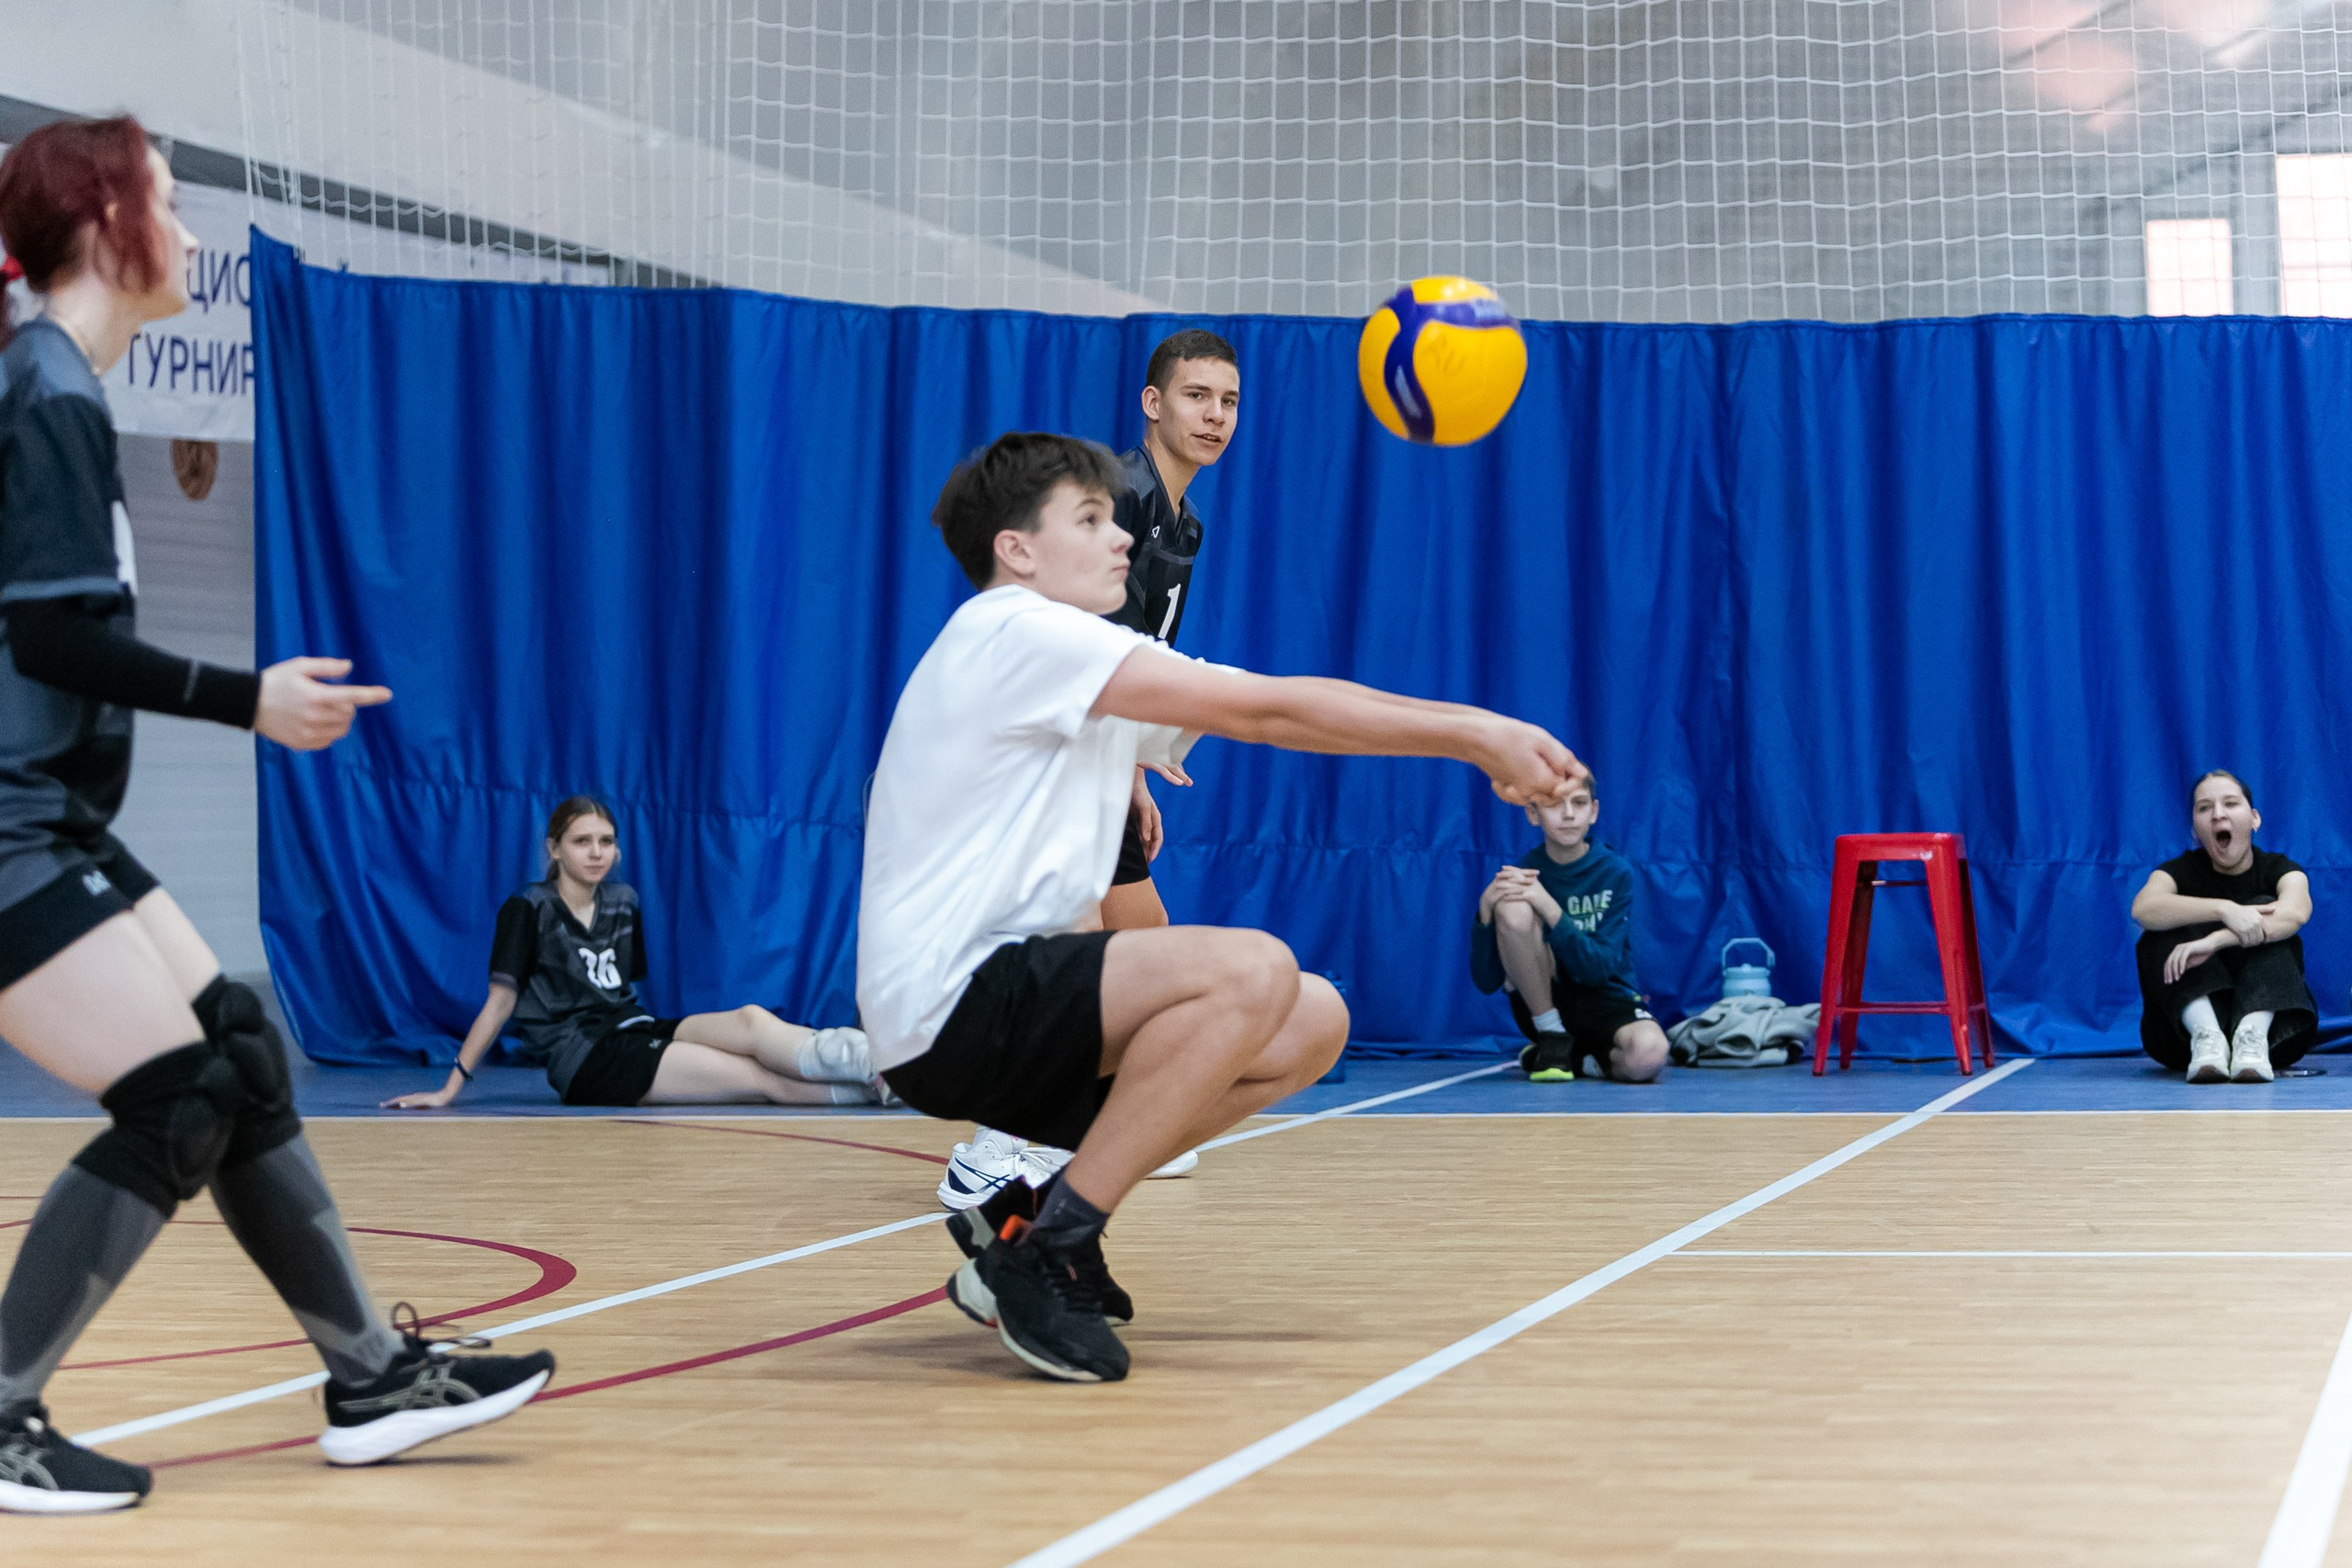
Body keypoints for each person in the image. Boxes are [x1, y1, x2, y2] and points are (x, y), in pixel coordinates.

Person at [0, 117, 551, 1514]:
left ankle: (372, 1375)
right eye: (169, 203)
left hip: (55, 820)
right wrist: (250, 698)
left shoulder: (56, 382)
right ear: (107, 222)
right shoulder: (46, 389)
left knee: (240, 1056)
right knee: (175, 1095)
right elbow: (56, 640)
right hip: (9, 829)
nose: (191, 234)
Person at [860, 432, 1578, 1382]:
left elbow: (1254, 703)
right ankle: (1049, 1252)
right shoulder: (1015, 630)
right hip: (952, 1008)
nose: (1121, 537)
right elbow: (1268, 710)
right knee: (1251, 969)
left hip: (1006, 1014)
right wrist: (1478, 734)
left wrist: (1478, 731)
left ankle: (1027, 1215)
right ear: (1016, 549)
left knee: (1310, 1019)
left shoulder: (1075, 660)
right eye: (1089, 519)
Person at [938, 331, 1238, 1216]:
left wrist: (1136, 768)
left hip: (1096, 748)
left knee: (1146, 947)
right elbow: (1073, 637)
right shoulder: (1117, 497)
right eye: (1195, 396)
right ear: (1153, 403)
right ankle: (992, 1151)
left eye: (1227, 401)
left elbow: (1133, 653)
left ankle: (1101, 1127)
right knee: (1075, 956)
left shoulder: (1183, 521)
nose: (1214, 415)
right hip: (1044, 746)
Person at [385, 796, 884, 1109]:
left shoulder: (623, 901)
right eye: (581, 841)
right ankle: (882, 1089)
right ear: (554, 849)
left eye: (606, 841)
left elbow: (620, 991)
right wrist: (451, 1086)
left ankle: (883, 1062)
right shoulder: (528, 908)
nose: (596, 852)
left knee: (751, 1021)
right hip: (586, 1061)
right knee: (757, 1078)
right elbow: (500, 1003)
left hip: (632, 1028)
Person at [1470, 772, 1668, 1084]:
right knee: (1513, 905)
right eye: (1553, 804)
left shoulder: (1615, 872)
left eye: (1579, 803)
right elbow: (1486, 982)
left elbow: (1598, 970)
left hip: (1607, 997)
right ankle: (1552, 1038)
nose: (1568, 814)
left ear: (1594, 811)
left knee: (1648, 1055)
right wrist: (1485, 913)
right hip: (1547, 1003)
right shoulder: (1524, 874)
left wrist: (1548, 906)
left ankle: (1579, 1060)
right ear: (1533, 813)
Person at [2130, 769, 2315, 1084]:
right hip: (2182, 1042)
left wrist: (2216, 940)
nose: (2218, 815)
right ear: (2195, 830)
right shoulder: (2178, 871)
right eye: (2205, 808)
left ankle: (2250, 1036)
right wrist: (2224, 909)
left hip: (2276, 1036)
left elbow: (2294, 913)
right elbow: (2144, 909)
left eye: (2230, 803)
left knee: (2268, 911)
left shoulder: (2281, 869)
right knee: (2163, 925)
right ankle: (2208, 1037)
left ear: (2254, 819)